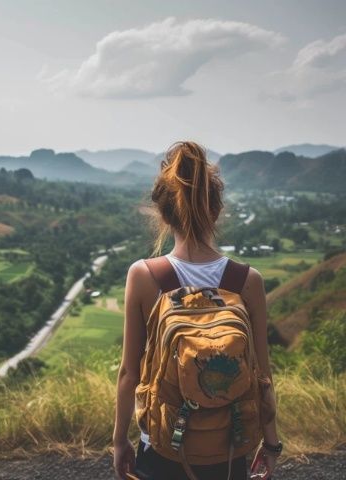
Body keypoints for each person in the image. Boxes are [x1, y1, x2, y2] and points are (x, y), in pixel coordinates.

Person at [112, 141, 281, 480]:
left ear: (163, 212)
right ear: (216, 211)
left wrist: (119, 442)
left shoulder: (145, 276)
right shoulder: (247, 280)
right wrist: (271, 443)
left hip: (162, 446)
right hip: (229, 443)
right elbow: (262, 374)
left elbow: (129, 373)